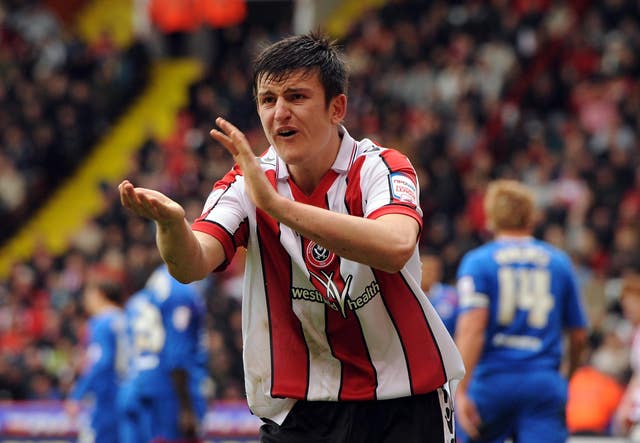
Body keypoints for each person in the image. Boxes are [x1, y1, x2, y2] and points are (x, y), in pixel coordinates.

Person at [119, 32, 464, 442]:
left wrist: (280, 208)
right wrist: (172, 227)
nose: (279, 113)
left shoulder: (382, 168)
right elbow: (191, 264)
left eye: (296, 97)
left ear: (337, 107)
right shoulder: (246, 183)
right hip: (304, 408)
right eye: (268, 100)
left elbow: (395, 246)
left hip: (404, 400)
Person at [454, 179, 589, 443]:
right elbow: (579, 334)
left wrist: (459, 389)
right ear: (531, 217)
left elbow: (472, 329)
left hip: (492, 382)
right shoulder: (559, 262)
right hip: (543, 383)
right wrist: (566, 378)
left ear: (491, 217)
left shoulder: (478, 262)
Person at [119, 264, 209, 443]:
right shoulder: (179, 287)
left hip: (137, 385)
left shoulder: (137, 300)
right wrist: (186, 406)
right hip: (169, 391)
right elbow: (178, 354)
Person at [66, 276, 127, 443]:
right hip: (127, 394)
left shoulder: (101, 323)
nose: (86, 300)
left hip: (107, 396)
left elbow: (101, 361)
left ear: (100, 294)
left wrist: (77, 395)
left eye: (89, 294)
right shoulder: (127, 318)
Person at [614, 272, 640, 440]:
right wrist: (625, 405)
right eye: (625, 307)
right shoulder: (636, 333)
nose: (627, 311)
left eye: (631, 305)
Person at [421, 251, 459, 337]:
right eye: (425, 269)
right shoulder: (408, 297)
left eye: (432, 270)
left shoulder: (452, 295)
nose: (428, 274)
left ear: (439, 272)